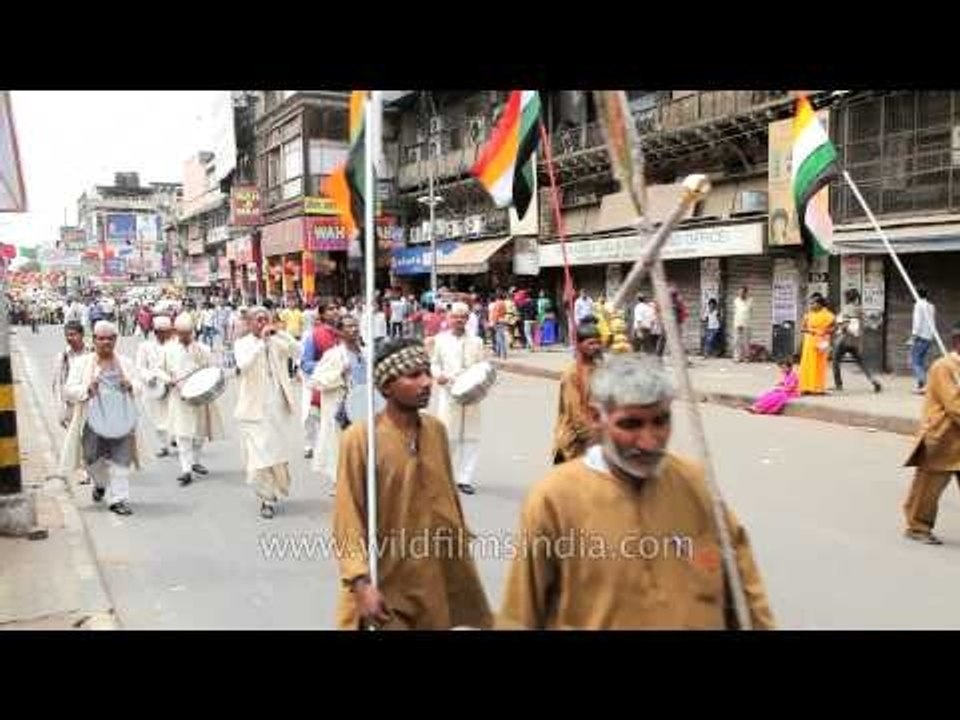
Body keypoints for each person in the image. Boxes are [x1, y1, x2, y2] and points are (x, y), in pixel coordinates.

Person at [499, 355, 775, 630]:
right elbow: (520, 615)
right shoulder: (554, 499)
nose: (649, 442)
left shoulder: (695, 484)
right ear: (596, 418)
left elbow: (745, 592)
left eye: (660, 421)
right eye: (631, 424)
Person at [332, 337, 493, 630]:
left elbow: (448, 499)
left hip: (433, 576)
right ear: (386, 387)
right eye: (413, 375)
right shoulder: (361, 439)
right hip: (386, 580)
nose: (427, 382)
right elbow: (347, 516)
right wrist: (360, 582)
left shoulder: (436, 431)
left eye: (427, 373)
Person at [59, 321, 141, 516]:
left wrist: (130, 386)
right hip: (91, 420)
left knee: (121, 459)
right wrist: (87, 389)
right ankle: (100, 484)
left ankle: (118, 499)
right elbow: (68, 390)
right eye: (101, 338)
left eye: (110, 338)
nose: (106, 342)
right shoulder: (82, 364)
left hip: (121, 418)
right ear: (94, 340)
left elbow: (139, 385)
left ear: (116, 340)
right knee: (91, 458)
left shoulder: (125, 363)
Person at [234, 307, 302, 519]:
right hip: (254, 409)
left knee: (276, 453)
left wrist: (280, 333)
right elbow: (243, 366)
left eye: (266, 319)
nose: (263, 323)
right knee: (260, 454)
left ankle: (274, 490)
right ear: (249, 323)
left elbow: (297, 351)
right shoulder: (242, 344)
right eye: (259, 319)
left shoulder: (276, 341)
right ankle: (266, 499)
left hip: (277, 405)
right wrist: (261, 344)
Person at [901, 322, 960, 545]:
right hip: (943, 437)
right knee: (928, 489)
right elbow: (954, 405)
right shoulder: (943, 367)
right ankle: (918, 527)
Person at [309, 315, 382, 493]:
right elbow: (316, 381)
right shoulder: (333, 355)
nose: (354, 329)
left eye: (355, 325)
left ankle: (362, 481)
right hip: (342, 408)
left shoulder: (366, 353)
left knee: (365, 444)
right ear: (340, 332)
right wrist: (339, 374)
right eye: (348, 326)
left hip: (364, 406)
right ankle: (341, 482)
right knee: (341, 446)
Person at [160, 312, 225, 486]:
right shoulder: (168, 350)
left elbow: (213, 369)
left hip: (200, 398)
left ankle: (195, 461)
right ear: (176, 332)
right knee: (182, 434)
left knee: (199, 433)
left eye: (188, 333)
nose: (185, 337)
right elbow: (159, 369)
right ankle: (186, 470)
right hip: (179, 397)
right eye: (182, 333)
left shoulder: (203, 349)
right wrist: (169, 380)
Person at [430, 302, 486, 495]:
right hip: (449, 392)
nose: (459, 320)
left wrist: (480, 383)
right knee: (448, 434)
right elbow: (434, 363)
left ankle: (464, 479)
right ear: (449, 318)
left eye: (463, 316)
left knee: (471, 436)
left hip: (472, 394)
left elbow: (482, 366)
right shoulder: (440, 340)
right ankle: (445, 476)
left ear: (468, 319)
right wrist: (438, 375)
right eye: (455, 316)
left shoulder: (477, 341)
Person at [552, 316, 604, 464]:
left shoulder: (601, 369)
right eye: (591, 343)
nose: (596, 346)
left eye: (598, 342)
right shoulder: (572, 374)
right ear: (580, 345)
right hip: (575, 444)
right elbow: (575, 414)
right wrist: (592, 439)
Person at [300, 301, 339, 460]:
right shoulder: (314, 336)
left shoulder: (345, 331)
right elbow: (305, 364)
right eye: (330, 309)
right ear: (322, 314)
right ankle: (311, 445)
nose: (335, 311)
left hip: (344, 388)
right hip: (323, 387)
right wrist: (328, 365)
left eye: (336, 308)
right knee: (312, 417)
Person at [135, 315, 175, 457]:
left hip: (172, 387)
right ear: (156, 332)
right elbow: (140, 366)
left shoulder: (175, 346)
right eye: (161, 331)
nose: (166, 334)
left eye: (168, 331)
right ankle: (164, 445)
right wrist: (148, 377)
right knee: (156, 418)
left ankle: (175, 438)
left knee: (173, 414)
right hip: (152, 388)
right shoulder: (145, 347)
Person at [833, 288, 882, 394]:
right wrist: (876, 322)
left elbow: (841, 323)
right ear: (856, 298)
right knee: (862, 363)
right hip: (855, 341)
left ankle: (838, 385)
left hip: (843, 339)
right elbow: (871, 324)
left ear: (847, 298)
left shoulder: (846, 309)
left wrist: (840, 327)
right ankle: (873, 380)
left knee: (835, 361)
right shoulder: (860, 309)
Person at [52, 321, 90, 430]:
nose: (69, 338)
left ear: (82, 335)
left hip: (89, 406)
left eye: (73, 334)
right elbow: (58, 385)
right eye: (67, 335)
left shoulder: (92, 353)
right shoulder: (62, 357)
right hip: (71, 408)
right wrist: (61, 412)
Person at [798, 293, 835, 395]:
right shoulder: (808, 315)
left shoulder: (828, 315)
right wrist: (810, 331)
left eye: (813, 303)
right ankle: (806, 387)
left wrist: (825, 331)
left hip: (822, 342)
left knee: (820, 365)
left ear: (820, 304)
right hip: (809, 342)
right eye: (810, 303)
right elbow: (802, 328)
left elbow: (834, 327)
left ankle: (818, 388)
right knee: (807, 364)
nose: (811, 305)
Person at [911, 286, 937, 395]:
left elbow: (917, 322)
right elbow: (932, 322)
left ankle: (925, 385)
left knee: (915, 362)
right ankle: (921, 385)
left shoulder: (918, 305)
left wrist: (914, 336)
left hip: (920, 337)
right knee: (920, 362)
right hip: (928, 337)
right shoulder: (931, 306)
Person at [733, 286, 752, 363]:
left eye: (743, 292)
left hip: (746, 324)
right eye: (739, 292)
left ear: (746, 293)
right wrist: (738, 323)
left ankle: (746, 357)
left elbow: (750, 312)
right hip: (737, 324)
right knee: (737, 341)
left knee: (746, 342)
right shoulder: (736, 301)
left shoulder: (750, 301)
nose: (741, 293)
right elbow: (736, 313)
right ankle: (737, 357)